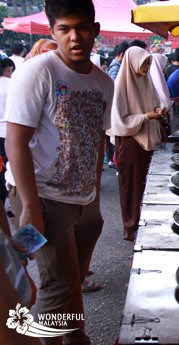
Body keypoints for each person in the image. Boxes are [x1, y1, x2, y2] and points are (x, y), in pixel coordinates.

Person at [4, 0, 114, 343]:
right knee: (59, 285)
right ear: (52, 32)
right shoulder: (38, 72)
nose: (74, 37)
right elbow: (16, 143)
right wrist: (31, 208)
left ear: (95, 31)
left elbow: (97, 140)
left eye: (81, 27)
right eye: (64, 29)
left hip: (83, 199)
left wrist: (93, 198)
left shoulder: (103, 82)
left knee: (74, 280)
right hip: (42, 198)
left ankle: (75, 338)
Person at [111, 46, 167, 241]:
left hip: (148, 138)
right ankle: (131, 226)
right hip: (131, 140)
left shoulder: (146, 80)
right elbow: (119, 119)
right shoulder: (121, 85)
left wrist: (158, 112)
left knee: (146, 184)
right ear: (133, 62)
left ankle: (143, 222)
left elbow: (153, 105)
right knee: (131, 185)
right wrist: (146, 116)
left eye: (149, 63)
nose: (147, 66)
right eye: (144, 63)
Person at [0, 58, 15, 204]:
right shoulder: (12, 85)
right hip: (8, 134)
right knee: (8, 169)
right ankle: (11, 199)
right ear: (9, 69)